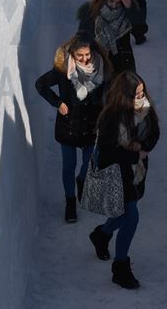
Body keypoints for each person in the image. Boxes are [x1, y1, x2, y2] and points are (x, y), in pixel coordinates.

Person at [87, 71, 160, 290]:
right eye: (135, 95)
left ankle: (101, 234)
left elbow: (155, 132)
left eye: (142, 92)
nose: (140, 98)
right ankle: (120, 268)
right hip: (116, 173)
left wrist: (143, 148)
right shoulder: (111, 118)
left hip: (136, 172)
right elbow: (107, 153)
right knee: (131, 217)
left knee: (121, 217)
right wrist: (134, 154)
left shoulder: (146, 109)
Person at [35, 34, 112, 222]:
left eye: (87, 54)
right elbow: (40, 84)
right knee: (68, 166)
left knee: (89, 164)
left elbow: (110, 94)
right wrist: (58, 102)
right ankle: (70, 201)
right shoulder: (62, 71)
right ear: (72, 54)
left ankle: (82, 180)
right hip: (69, 125)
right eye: (80, 56)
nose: (85, 59)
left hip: (92, 126)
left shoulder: (102, 69)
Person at [77, 0, 140, 73]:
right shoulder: (90, 13)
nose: (114, 6)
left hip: (121, 61)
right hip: (95, 60)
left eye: (118, 3)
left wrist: (131, 9)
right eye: (111, 1)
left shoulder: (126, 14)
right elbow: (81, 39)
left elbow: (139, 31)